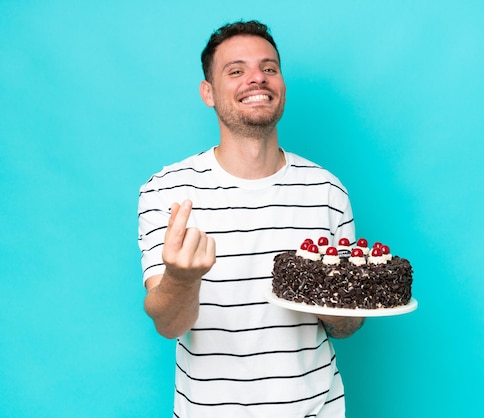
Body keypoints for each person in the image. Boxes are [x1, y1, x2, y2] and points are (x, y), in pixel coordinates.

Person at [138, 20, 364, 417]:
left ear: (282, 86)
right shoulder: (168, 190)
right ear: (208, 92)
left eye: (269, 68)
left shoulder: (327, 191)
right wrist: (182, 277)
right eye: (236, 70)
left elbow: (346, 328)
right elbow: (169, 324)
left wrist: (329, 298)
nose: (257, 79)